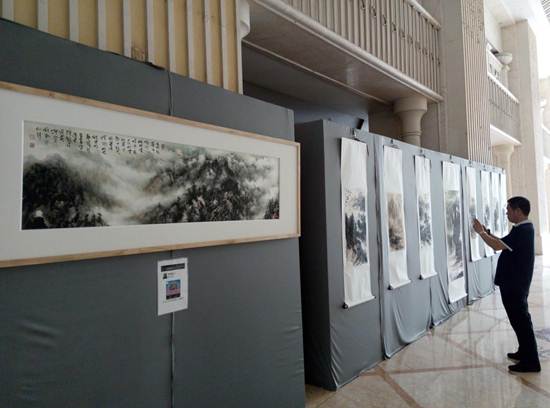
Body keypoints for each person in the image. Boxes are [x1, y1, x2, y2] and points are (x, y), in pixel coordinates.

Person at [473, 196, 540, 373]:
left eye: (508, 209)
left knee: (521, 322)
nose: (506, 213)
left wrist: (481, 233)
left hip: (515, 285)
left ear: (518, 211)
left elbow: (496, 246)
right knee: (519, 321)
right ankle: (524, 352)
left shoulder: (523, 230)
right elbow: (503, 243)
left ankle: (531, 362)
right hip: (515, 284)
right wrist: (487, 232)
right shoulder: (523, 228)